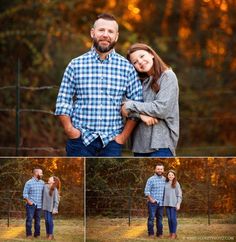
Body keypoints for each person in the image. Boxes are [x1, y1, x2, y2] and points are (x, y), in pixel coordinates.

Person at [55, 13, 143, 157]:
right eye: (101, 30)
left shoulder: (127, 68)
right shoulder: (76, 64)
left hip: (112, 142)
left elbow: (136, 104)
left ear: (116, 36)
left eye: (110, 31)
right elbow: (63, 101)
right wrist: (71, 131)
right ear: (92, 32)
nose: (105, 35)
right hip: (80, 141)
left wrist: (122, 138)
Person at [122, 43, 179, 157]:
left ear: (151, 54)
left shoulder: (167, 76)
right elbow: (122, 104)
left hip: (161, 144)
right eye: (135, 62)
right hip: (139, 144)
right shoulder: (139, 82)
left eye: (142, 56)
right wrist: (141, 115)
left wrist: (131, 105)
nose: (140, 62)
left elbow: (162, 109)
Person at [144, 163, 166, 238]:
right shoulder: (151, 179)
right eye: (158, 169)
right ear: (155, 170)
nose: (159, 170)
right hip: (152, 203)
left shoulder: (165, 179)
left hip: (161, 203)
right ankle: (151, 234)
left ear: (163, 170)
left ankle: (159, 233)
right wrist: (151, 200)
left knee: (160, 219)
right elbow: (146, 191)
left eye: (161, 169)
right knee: (151, 218)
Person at [23, 168, 44, 239]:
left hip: (39, 205)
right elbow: (25, 194)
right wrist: (29, 202)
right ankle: (29, 235)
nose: (42, 174)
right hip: (31, 205)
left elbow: (45, 193)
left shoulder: (42, 183)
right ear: (36, 173)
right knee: (29, 220)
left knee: (38, 221)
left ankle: (37, 234)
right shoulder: (29, 182)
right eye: (41, 173)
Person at [164, 170, 182, 239]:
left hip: (174, 204)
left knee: (173, 219)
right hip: (167, 204)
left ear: (174, 176)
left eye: (172, 175)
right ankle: (171, 233)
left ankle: (174, 234)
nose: (170, 176)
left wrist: (178, 203)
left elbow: (179, 194)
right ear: (167, 176)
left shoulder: (176, 183)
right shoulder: (165, 183)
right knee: (169, 219)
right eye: (169, 175)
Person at [42, 176, 61, 240]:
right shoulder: (45, 186)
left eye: (50, 178)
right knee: (46, 221)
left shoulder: (54, 189)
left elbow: (56, 200)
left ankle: (50, 234)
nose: (48, 178)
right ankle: (47, 234)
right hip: (45, 206)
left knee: (49, 221)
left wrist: (55, 208)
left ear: (53, 181)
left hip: (51, 208)